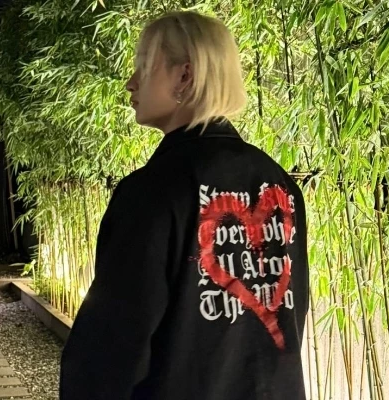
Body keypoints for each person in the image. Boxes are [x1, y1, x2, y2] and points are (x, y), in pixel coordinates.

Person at [60, 10, 309, 400]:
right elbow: (290, 317)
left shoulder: (152, 192)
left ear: (185, 76)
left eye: (143, 67)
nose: (130, 83)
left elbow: (112, 348)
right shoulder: (279, 184)